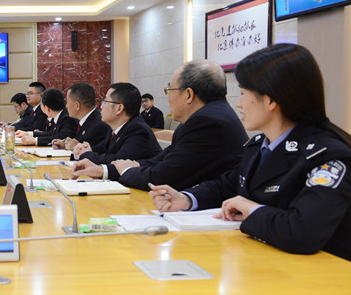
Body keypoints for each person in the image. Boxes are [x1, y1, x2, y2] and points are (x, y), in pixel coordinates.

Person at [151, 44, 351, 261]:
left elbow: (302, 230)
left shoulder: (327, 157)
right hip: (263, 261)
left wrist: (252, 210)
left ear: (271, 100)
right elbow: (228, 185)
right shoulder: (259, 145)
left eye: (243, 93)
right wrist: (186, 199)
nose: (239, 103)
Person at [105, 60, 248, 191]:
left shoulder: (207, 122)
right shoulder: (202, 118)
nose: (168, 98)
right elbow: (163, 159)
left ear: (188, 94)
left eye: (169, 90)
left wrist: (125, 170)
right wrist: (130, 166)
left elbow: (162, 178)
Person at [71, 83, 161, 180]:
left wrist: (85, 154)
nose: (101, 107)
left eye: (105, 101)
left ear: (119, 108)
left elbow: (117, 161)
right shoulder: (115, 127)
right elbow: (102, 149)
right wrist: (83, 149)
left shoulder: (138, 130)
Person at [51, 83, 111, 151]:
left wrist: (77, 147)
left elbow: (99, 150)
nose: (66, 106)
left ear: (77, 106)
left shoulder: (99, 124)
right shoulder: (87, 119)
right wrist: (65, 144)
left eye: (67, 102)